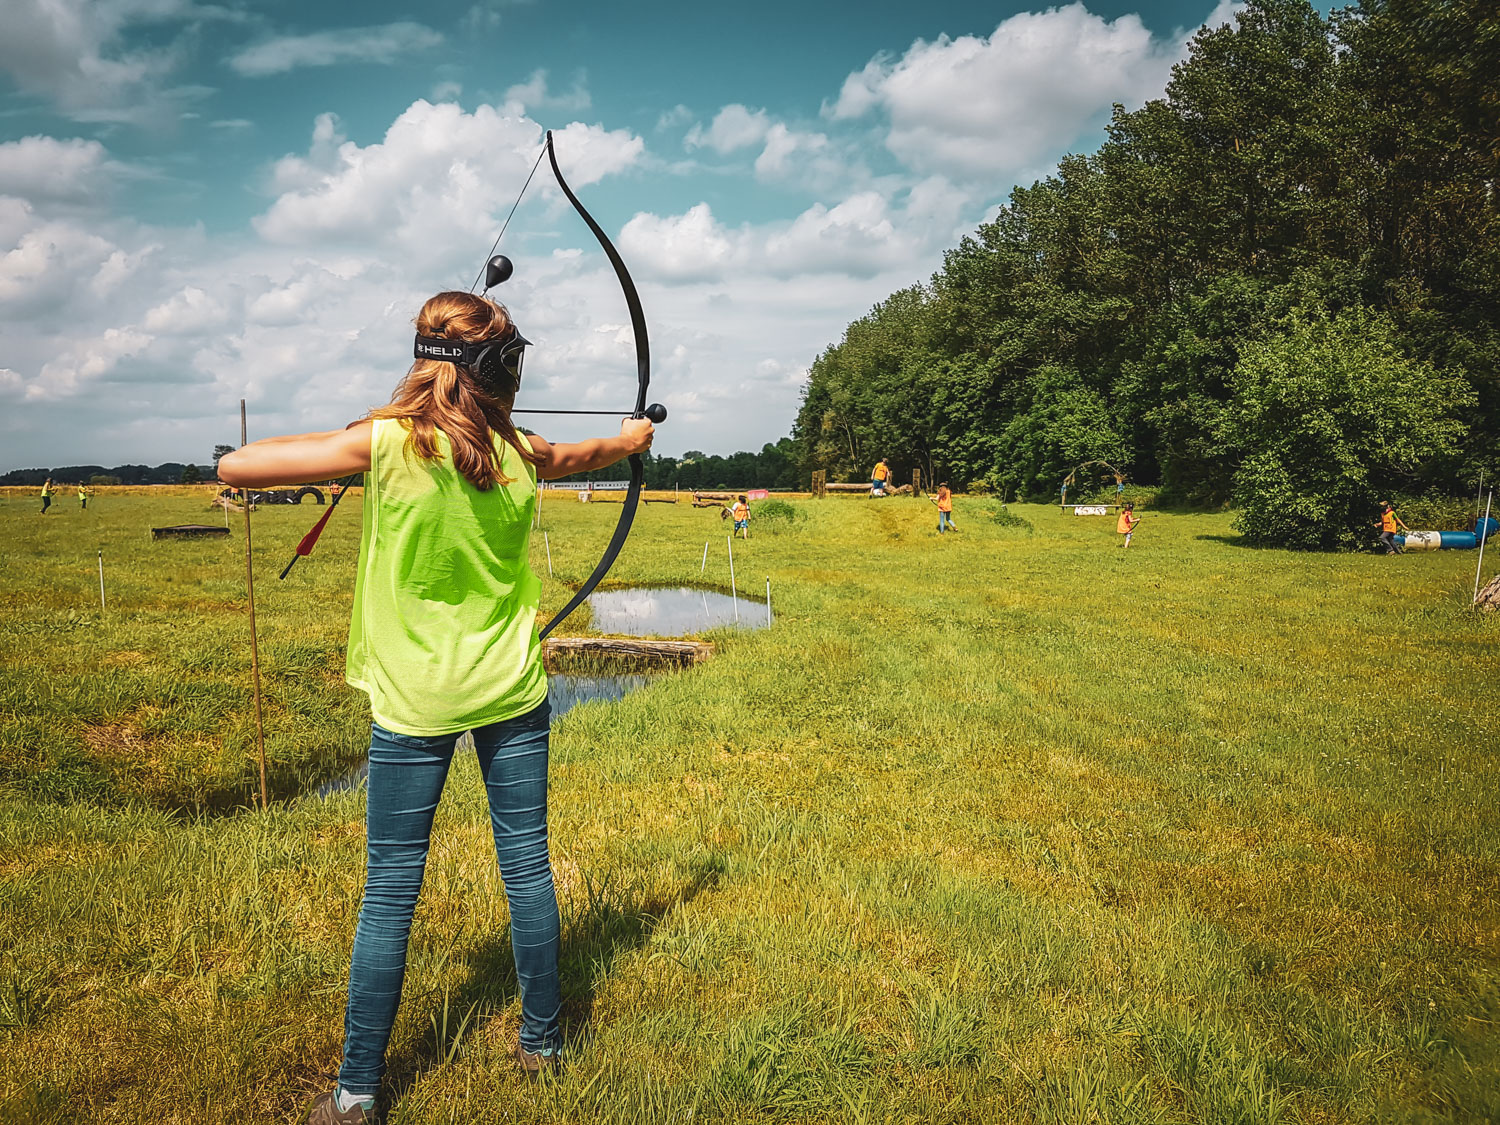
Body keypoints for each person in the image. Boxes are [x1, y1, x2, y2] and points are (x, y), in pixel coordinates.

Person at [218, 290, 654, 1124]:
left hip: (415, 698)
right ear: (499, 368)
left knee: (390, 890)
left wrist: (367, 428)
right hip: (512, 689)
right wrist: (632, 439)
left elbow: (235, 468)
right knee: (526, 868)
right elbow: (583, 453)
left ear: (425, 358)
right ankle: (544, 1043)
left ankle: (354, 1094)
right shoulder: (520, 450)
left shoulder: (384, 444)